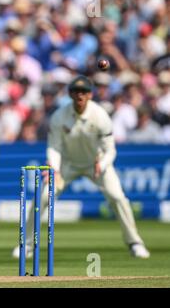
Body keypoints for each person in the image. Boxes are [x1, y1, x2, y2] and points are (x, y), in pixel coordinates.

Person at [12, 75, 150, 260]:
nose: (80, 95)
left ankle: (135, 243)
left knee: (118, 197)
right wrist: (54, 167)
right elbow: (54, 146)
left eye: (84, 92)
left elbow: (110, 150)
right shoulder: (59, 116)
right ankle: (26, 244)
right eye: (76, 92)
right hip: (68, 164)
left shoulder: (100, 116)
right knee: (42, 198)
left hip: (96, 163)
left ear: (90, 95)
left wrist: (102, 164)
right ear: (70, 94)